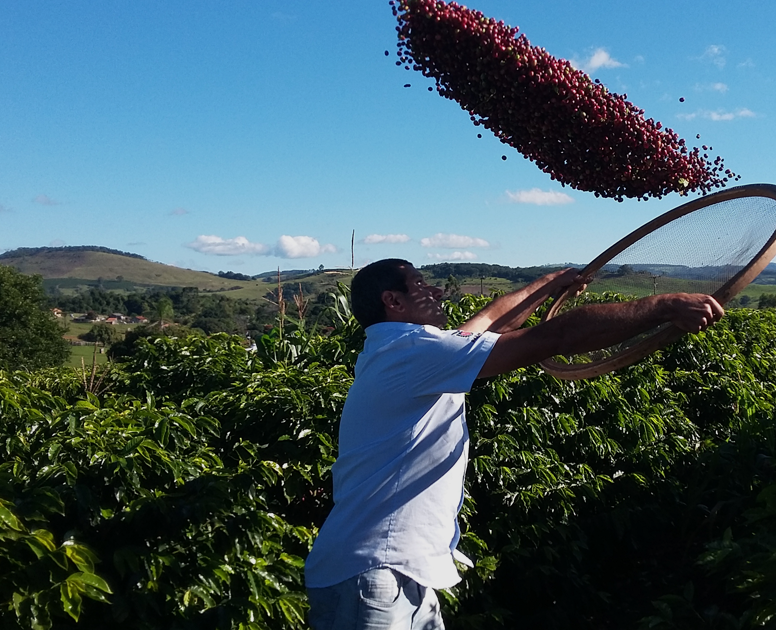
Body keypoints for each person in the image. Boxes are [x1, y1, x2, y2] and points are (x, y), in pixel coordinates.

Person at [305, 258, 723, 630]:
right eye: (420, 284)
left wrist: (547, 284)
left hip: (384, 572)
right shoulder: (412, 351)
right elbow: (557, 337)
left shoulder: (402, 351)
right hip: (378, 573)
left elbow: (486, 325)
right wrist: (664, 306)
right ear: (393, 302)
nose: (434, 290)